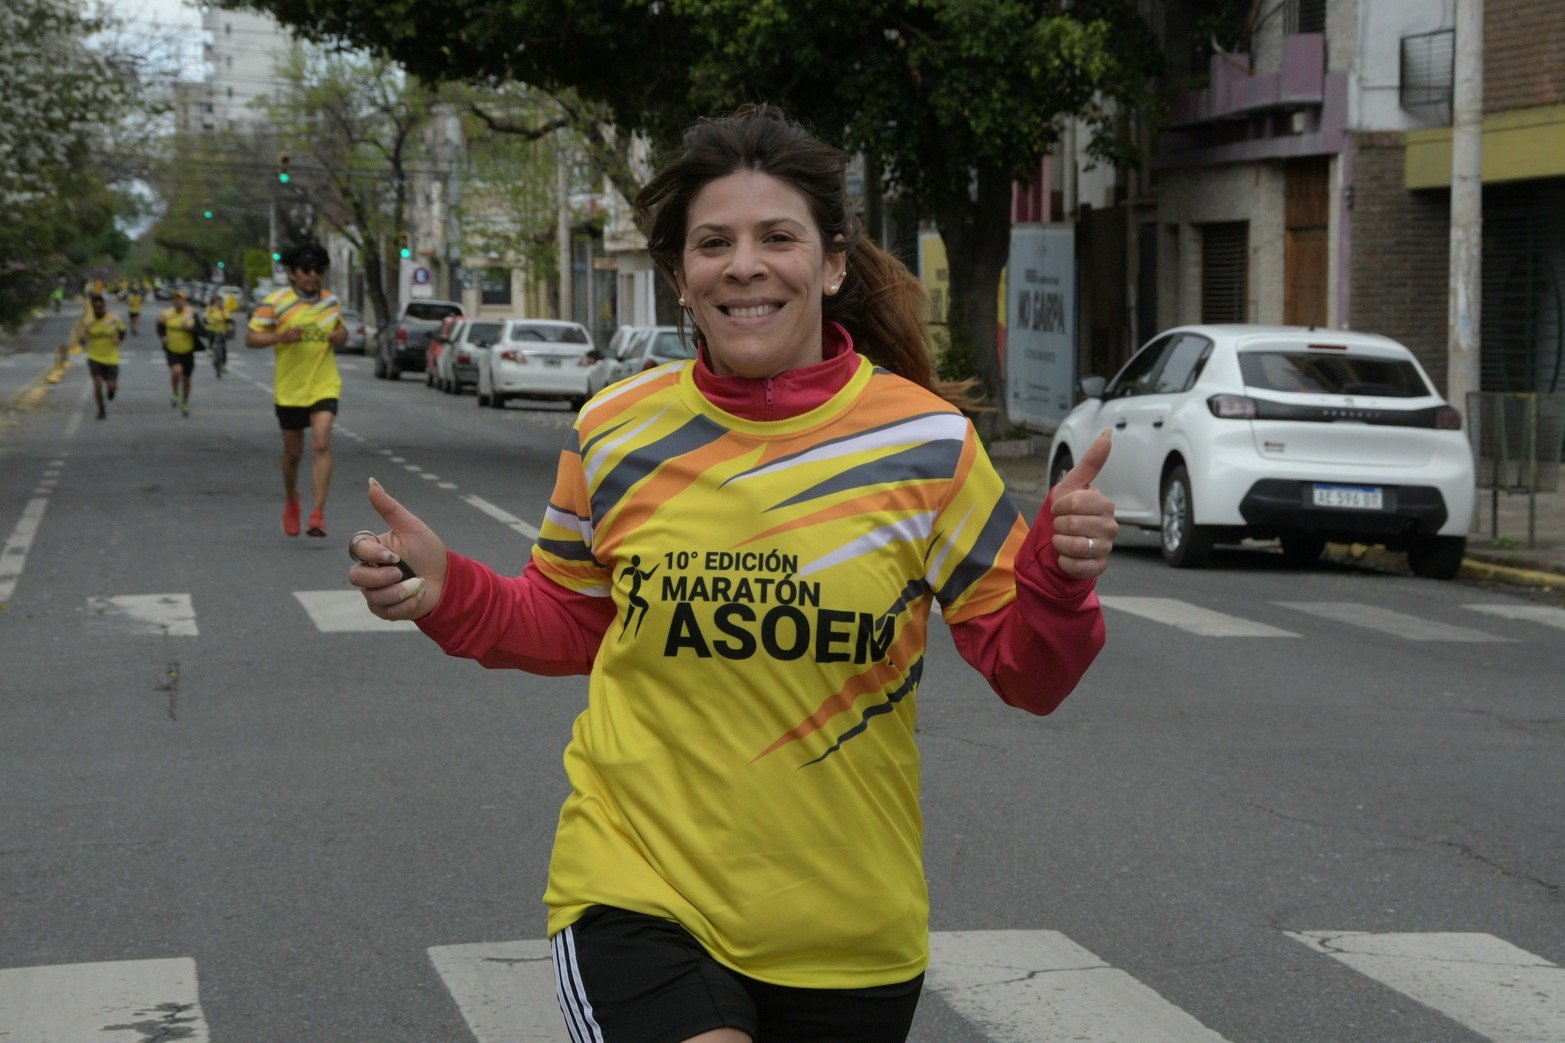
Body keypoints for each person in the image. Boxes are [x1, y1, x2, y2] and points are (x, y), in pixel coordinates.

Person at [347, 105, 1118, 1043]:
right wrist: (447, 591)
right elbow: (566, 618)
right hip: (638, 882)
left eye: (776, 237)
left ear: (831, 264)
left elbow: (1027, 673)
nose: (744, 264)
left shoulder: (928, 445)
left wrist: (1059, 576)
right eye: (714, 242)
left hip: (848, 926)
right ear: (681, 276)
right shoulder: (615, 430)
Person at [245, 242, 347, 538]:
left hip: (323, 383)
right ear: (292, 273)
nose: (313, 275)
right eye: (306, 270)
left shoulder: (330, 302)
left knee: (321, 444)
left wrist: (341, 336)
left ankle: (317, 514)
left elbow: (339, 335)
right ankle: (292, 500)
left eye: (318, 270)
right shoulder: (275, 302)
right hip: (290, 388)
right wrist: (280, 337)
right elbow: (251, 338)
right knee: (293, 454)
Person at [72, 293, 126, 420]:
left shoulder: (114, 318)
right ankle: (101, 409)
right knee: (97, 384)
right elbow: (81, 338)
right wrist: (83, 339)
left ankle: (111, 391)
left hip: (111, 357)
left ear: (104, 306)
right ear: (93, 307)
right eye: (95, 308)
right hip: (94, 356)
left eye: (100, 307)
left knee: (112, 385)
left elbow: (122, 331)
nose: (98, 310)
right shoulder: (87, 321)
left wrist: (118, 338)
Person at [156, 289, 201, 416]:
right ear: (172, 301)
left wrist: (192, 328)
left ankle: (185, 402)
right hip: (172, 349)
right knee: (176, 371)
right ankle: (175, 393)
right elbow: (160, 327)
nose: (178, 301)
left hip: (188, 349)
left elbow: (200, 330)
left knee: (186, 379)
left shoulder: (191, 313)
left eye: (180, 299)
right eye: (175, 299)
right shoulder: (166, 314)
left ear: (185, 301)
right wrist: (163, 336)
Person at [203, 296, 232, 376]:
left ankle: (224, 364)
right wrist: (210, 321)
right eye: (217, 301)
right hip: (211, 329)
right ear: (214, 302)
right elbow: (206, 318)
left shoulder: (224, 310)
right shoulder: (210, 309)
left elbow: (228, 319)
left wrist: (229, 326)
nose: (219, 303)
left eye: (220, 302)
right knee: (211, 336)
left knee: (223, 348)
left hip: (221, 331)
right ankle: (210, 347)